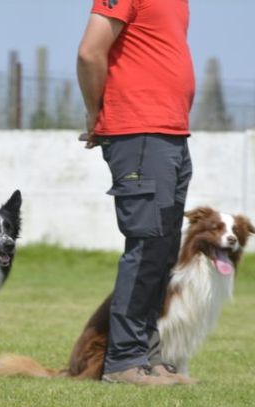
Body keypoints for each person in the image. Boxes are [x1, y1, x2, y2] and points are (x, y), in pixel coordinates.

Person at [77, 0, 196, 386]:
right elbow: (90, 51)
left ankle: (148, 355)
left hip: (171, 132)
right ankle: (123, 362)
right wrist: (97, 113)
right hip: (139, 130)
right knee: (146, 246)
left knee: (162, 250)